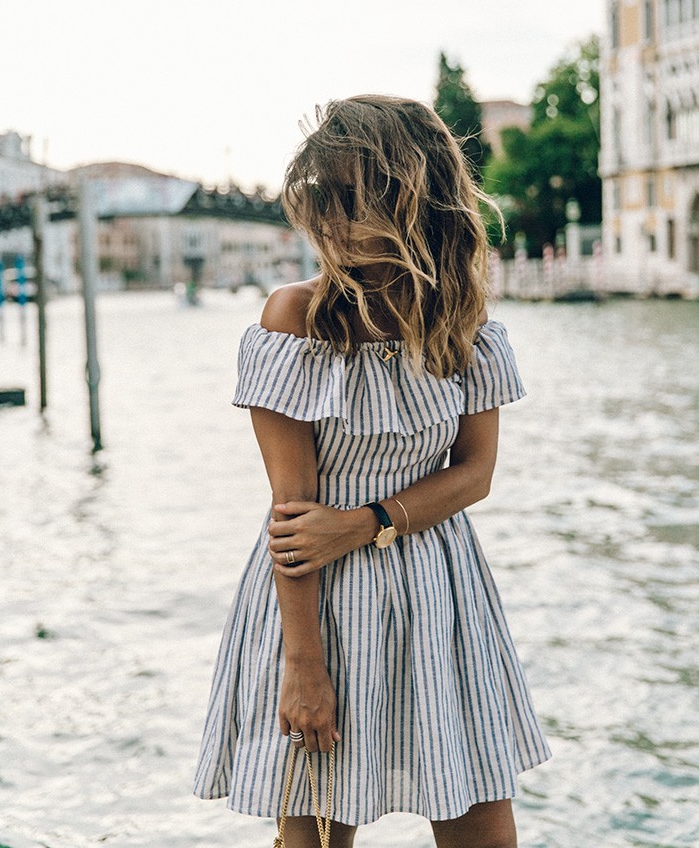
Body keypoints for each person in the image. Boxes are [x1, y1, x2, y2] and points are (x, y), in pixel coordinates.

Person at [193, 94, 551, 847]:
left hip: (440, 593)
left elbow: (475, 472)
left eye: (346, 198)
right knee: (319, 833)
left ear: (405, 199)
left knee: (483, 826)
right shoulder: (292, 319)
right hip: (316, 605)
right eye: (322, 198)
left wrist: (365, 522)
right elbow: (291, 515)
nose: (328, 219)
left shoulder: (466, 324)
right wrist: (303, 668)